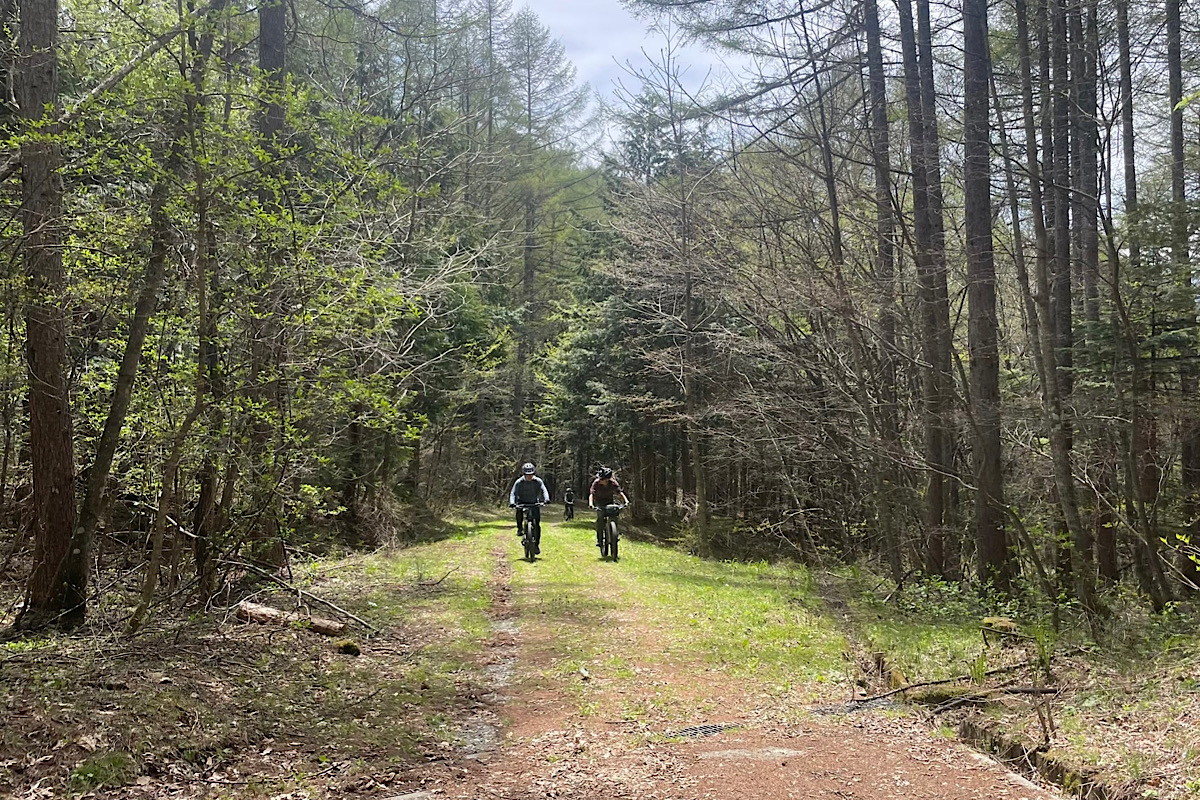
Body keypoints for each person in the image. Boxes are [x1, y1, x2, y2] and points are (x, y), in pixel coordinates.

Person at [509, 462, 550, 554]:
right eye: (527, 475)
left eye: (531, 474)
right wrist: (512, 502)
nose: (529, 476)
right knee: (518, 512)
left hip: (534, 503)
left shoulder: (538, 481)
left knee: (537, 525)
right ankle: (520, 528)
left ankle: (536, 545)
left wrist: (546, 499)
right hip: (522, 502)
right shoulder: (519, 482)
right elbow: (513, 493)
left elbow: (544, 489)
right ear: (524, 474)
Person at [588, 467, 629, 548]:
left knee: (614, 516)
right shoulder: (596, 483)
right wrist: (591, 504)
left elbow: (620, 492)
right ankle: (599, 540)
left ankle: (615, 533)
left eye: (602, 479)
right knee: (600, 520)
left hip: (609, 502)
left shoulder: (613, 483)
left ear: (607, 479)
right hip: (599, 503)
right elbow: (592, 494)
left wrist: (626, 501)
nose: (600, 480)